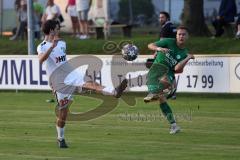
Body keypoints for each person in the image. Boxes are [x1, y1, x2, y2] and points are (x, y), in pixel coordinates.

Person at [37, 20, 127, 148]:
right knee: (63, 114)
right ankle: (60, 138)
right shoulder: (43, 46)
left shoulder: (62, 43)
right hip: (59, 82)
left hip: (71, 74)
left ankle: (114, 91)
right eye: (57, 28)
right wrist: (51, 48)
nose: (59, 30)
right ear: (51, 30)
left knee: (91, 83)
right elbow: (41, 61)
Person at [144, 26, 195, 134]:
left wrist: (187, 58)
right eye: (179, 34)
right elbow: (150, 45)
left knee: (166, 81)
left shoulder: (184, 53)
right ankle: (174, 126)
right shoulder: (168, 42)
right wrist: (159, 49)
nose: (181, 36)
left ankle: (156, 93)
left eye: (183, 34)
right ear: (176, 36)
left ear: (187, 37)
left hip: (168, 73)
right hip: (155, 70)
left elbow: (177, 69)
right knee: (162, 99)